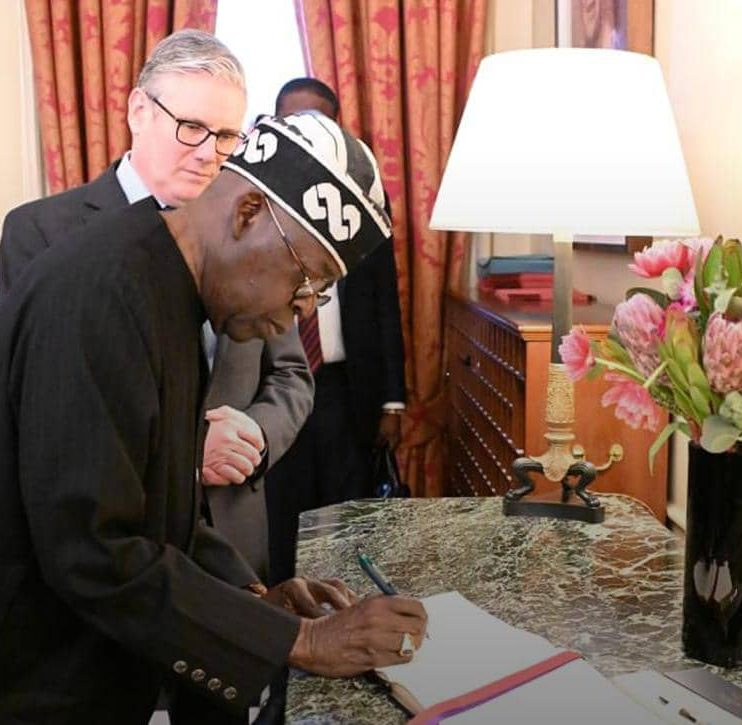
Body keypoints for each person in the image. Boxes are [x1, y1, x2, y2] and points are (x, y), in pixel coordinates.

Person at [0, 110, 428, 724]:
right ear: (248, 212)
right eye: (306, 278)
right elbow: (92, 550)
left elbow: (164, 505)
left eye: (320, 293)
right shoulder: (102, 296)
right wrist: (302, 641)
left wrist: (254, 602)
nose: (304, 310)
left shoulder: (169, 286)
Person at [0, 30, 312, 581]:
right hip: (114, 553)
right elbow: (41, 414)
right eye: (191, 127)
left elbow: (291, 373)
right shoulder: (42, 233)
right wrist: (190, 447)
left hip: (234, 533)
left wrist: (255, 436)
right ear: (138, 111)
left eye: (227, 137)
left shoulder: (252, 234)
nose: (208, 153)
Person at [265, 78, 406, 584]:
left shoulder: (363, 203)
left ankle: (346, 598)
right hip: (274, 386)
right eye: (292, 123)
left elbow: (385, 303)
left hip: (345, 389)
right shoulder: (257, 202)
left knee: (347, 507)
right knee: (283, 503)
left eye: (317, 122)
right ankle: (287, 602)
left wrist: (393, 402)